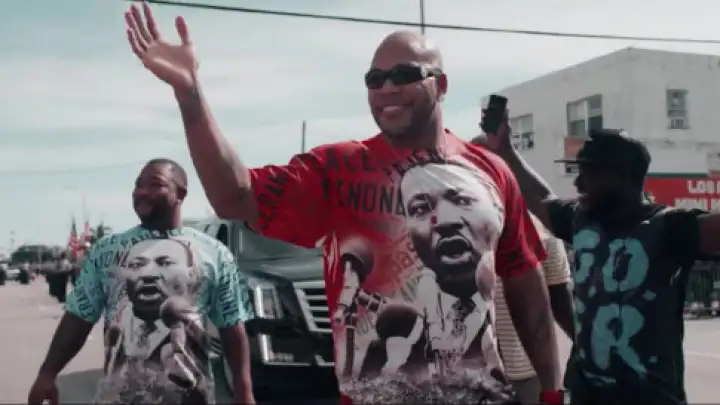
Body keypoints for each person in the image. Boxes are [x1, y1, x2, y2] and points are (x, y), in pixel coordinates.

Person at [123, 3, 564, 404]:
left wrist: (550, 388)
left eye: (404, 75)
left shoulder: (492, 173)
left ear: (442, 84)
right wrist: (190, 93)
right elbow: (234, 196)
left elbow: (526, 284)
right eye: (375, 79)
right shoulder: (339, 168)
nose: (387, 88)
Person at [478, 122, 720, 404]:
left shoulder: (671, 227)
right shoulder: (580, 220)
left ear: (622, 176)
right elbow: (540, 197)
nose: (578, 183)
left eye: (588, 173)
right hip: (586, 395)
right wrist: (506, 150)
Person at [27, 158, 255, 405]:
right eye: (138, 185)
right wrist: (47, 373)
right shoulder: (106, 251)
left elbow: (232, 326)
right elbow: (78, 318)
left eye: (155, 184)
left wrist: (243, 390)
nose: (142, 192)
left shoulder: (215, 253)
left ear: (180, 194)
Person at [494, 214, 574, 404]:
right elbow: (561, 301)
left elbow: (560, 299)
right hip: (486, 369)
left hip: (528, 370)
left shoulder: (541, 227)